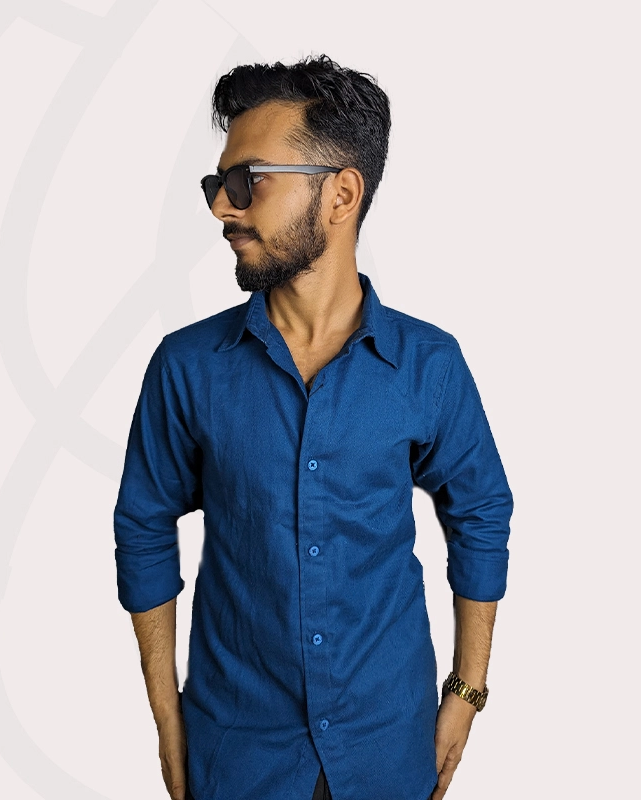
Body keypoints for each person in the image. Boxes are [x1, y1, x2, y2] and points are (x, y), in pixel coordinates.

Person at [114, 55, 513, 800]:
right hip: (237, 754)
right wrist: (167, 719)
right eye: (216, 184)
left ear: (341, 194)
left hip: (390, 746)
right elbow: (143, 523)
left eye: (247, 182)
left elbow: (481, 510)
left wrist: (467, 690)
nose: (222, 208)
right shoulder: (187, 366)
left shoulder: (429, 365)